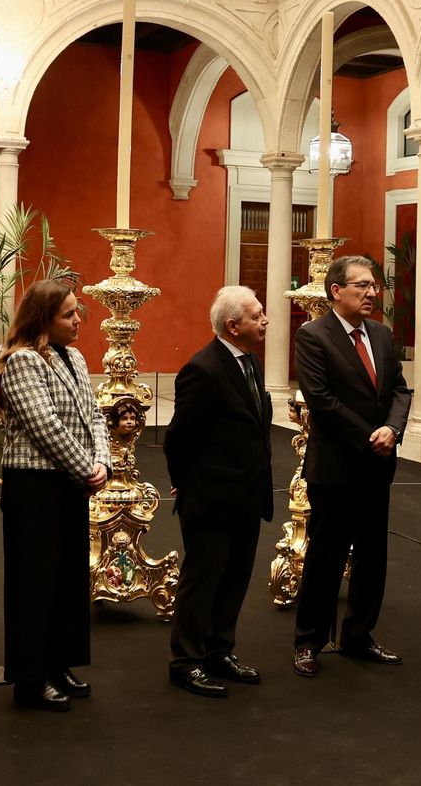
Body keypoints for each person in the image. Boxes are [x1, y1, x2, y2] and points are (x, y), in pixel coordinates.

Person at [291, 255, 412, 678]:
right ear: (336, 291)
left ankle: (359, 635)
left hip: (379, 465)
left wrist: (392, 430)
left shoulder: (380, 334)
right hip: (338, 465)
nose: (371, 293)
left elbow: (399, 389)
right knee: (326, 555)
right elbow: (321, 399)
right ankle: (309, 640)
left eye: (374, 286)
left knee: (372, 557)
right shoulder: (313, 336)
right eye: (361, 286)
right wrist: (369, 435)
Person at [0, 279, 111, 710]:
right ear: (43, 319)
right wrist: (87, 468)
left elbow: (94, 415)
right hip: (35, 487)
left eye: (77, 312)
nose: (78, 321)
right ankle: (31, 677)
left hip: (70, 483)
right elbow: (45, 427)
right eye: (69, 315)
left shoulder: (76, 357)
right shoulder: (24, 360)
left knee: (66, 580)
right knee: (34, 584)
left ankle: (59, 663)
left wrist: (103, 462)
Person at [164, 286, 274, 697]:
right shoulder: (203, 369)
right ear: (234, 325)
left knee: (235, 580)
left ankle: (219, 650)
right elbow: (178, 438)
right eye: (257, 315)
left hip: (247, 495)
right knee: (203, 581)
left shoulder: (251, 362)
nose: (265, 320)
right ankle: (186, 661)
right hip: (210, 498)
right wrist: (185, 483)